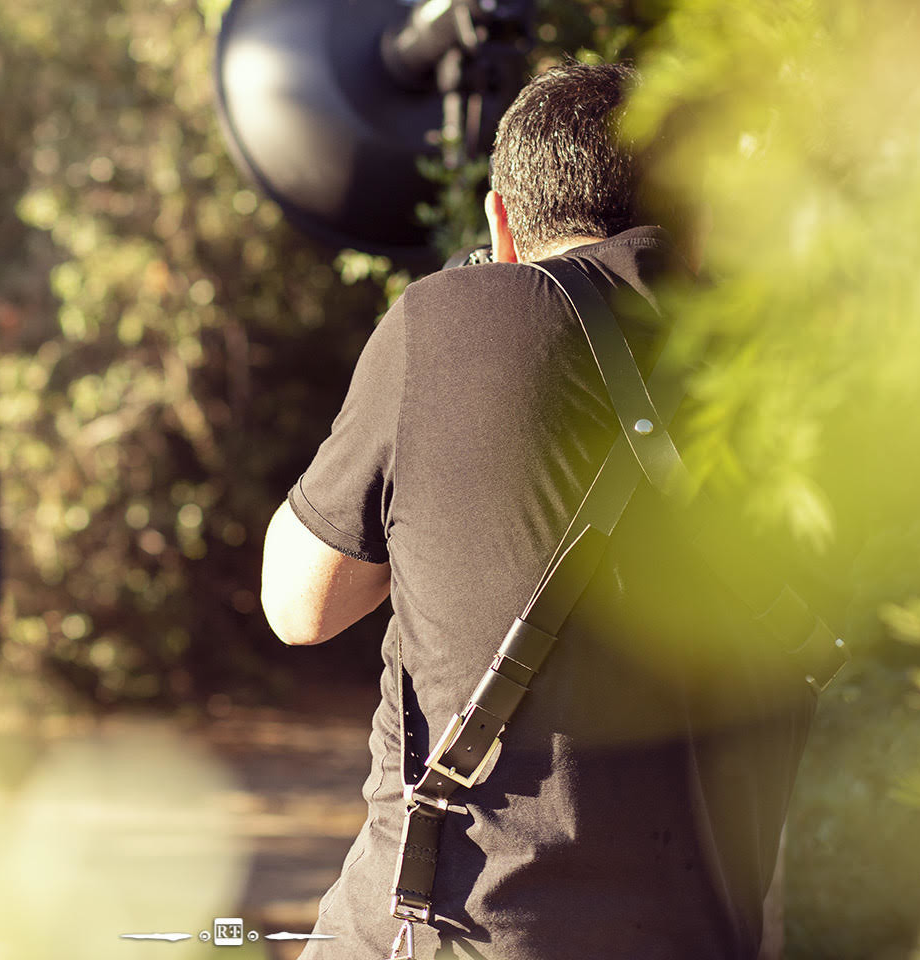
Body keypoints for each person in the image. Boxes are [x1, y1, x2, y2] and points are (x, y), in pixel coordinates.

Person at [260, 62, 818, 959]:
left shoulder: (439, 325)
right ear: (699, 230)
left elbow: (299, 606)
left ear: (501, 222)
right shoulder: (788, 371)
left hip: (454, 932)